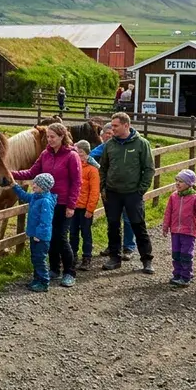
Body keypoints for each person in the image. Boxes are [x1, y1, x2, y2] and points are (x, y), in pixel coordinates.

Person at [12, 122, 81, 287]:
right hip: (47, 201)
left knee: (61, 238)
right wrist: (10, 173)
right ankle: (54, 269)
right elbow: (31, 172)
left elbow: (77, 182)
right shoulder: (45, 154)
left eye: (52, 137)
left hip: (63, 202)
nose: (49, 140)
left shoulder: (72, 156)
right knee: (47, 237)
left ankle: (70, 272)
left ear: (62, 137)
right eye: (48, 137)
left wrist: (71, 205)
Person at [98, 112, 156, 273]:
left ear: (126, 125)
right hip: (113, 193)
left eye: (115, 126)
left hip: (133, 193)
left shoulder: (141, 144)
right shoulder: (110, 145)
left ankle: (147, 260)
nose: (112, 128)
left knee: (138, 225)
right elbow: (103, 167)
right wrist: (103, 187)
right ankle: (114, 258)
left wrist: (141, 190)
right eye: (112, 125)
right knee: (113, 225)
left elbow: (149, 168)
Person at [89, 123, 137, 258]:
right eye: (108, 134)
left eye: (113, 133)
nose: (111, 136)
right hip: (109, 188)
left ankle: (128, 247)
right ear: (102, 135)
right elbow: (90, 156)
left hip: (127, 189)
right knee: (112, 219)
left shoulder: (125, 145)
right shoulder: (104, 147)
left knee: (127, 218)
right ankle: (113, 246)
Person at [13, 173, 57, 293]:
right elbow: (24, 195)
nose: (33, 185)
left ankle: (44, 282)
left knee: (40, 259)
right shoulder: (36, 197)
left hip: (41, 238)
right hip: (34, 235)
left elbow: (45, 221)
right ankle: (37, 279)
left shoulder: (45, 201)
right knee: (35, 258)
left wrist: (39, 234)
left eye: (36, 184)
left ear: (43, 187)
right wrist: (14, 186)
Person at [161, 169, 196, 287]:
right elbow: (168, 212)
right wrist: (166, 226)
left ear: (189, 183)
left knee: (186, 254)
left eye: (181, 181)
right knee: (176, 253)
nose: (177, 184)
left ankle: (186, 276)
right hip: (175, 231)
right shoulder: (173, 197)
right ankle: (177, 274)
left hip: (188, 232)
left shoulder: (195, 198)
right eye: (177, 181)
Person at [72, 140, 100, 270]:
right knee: (72, 233)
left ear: (86, 153)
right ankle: (72, 255)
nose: (78, 155)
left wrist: (90, 209)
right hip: (73, 207)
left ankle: (87, 257)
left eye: (80, 153)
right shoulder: (73, 167)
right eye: (76, 153)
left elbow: (94, 191)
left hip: (85, 208)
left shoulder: (92, 170)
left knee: (86, 233)